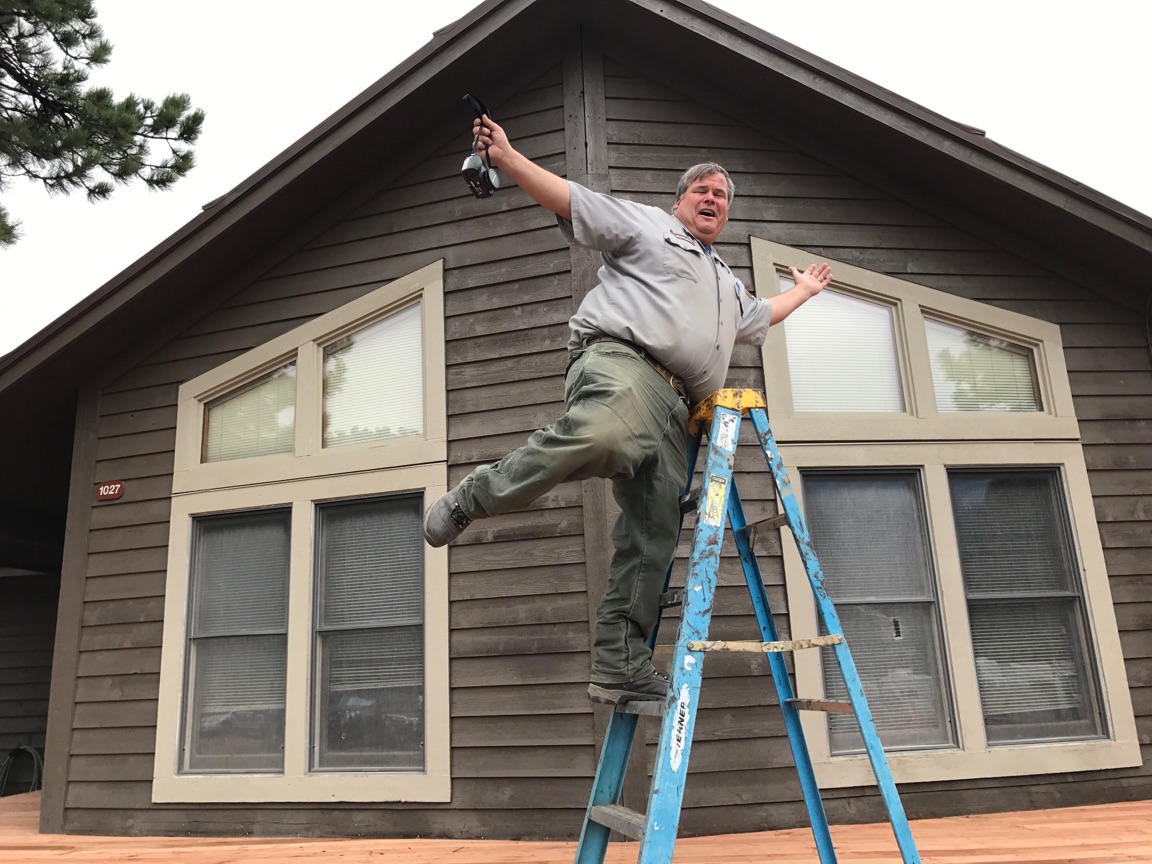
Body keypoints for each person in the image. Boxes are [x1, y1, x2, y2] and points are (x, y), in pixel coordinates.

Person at [424, 113, 832, 704]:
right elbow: (574, 201)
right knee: (604, 436)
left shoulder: (725, 281)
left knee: (653, 541)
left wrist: (805, 292)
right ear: (680, 201)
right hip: (625, 367)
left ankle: (619, 665)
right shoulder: (649, 228)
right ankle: (473, 496)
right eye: (702, 191)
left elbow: (761, 316)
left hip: (676, 413)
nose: (712, 199)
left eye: (721, 196)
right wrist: (508, 160)